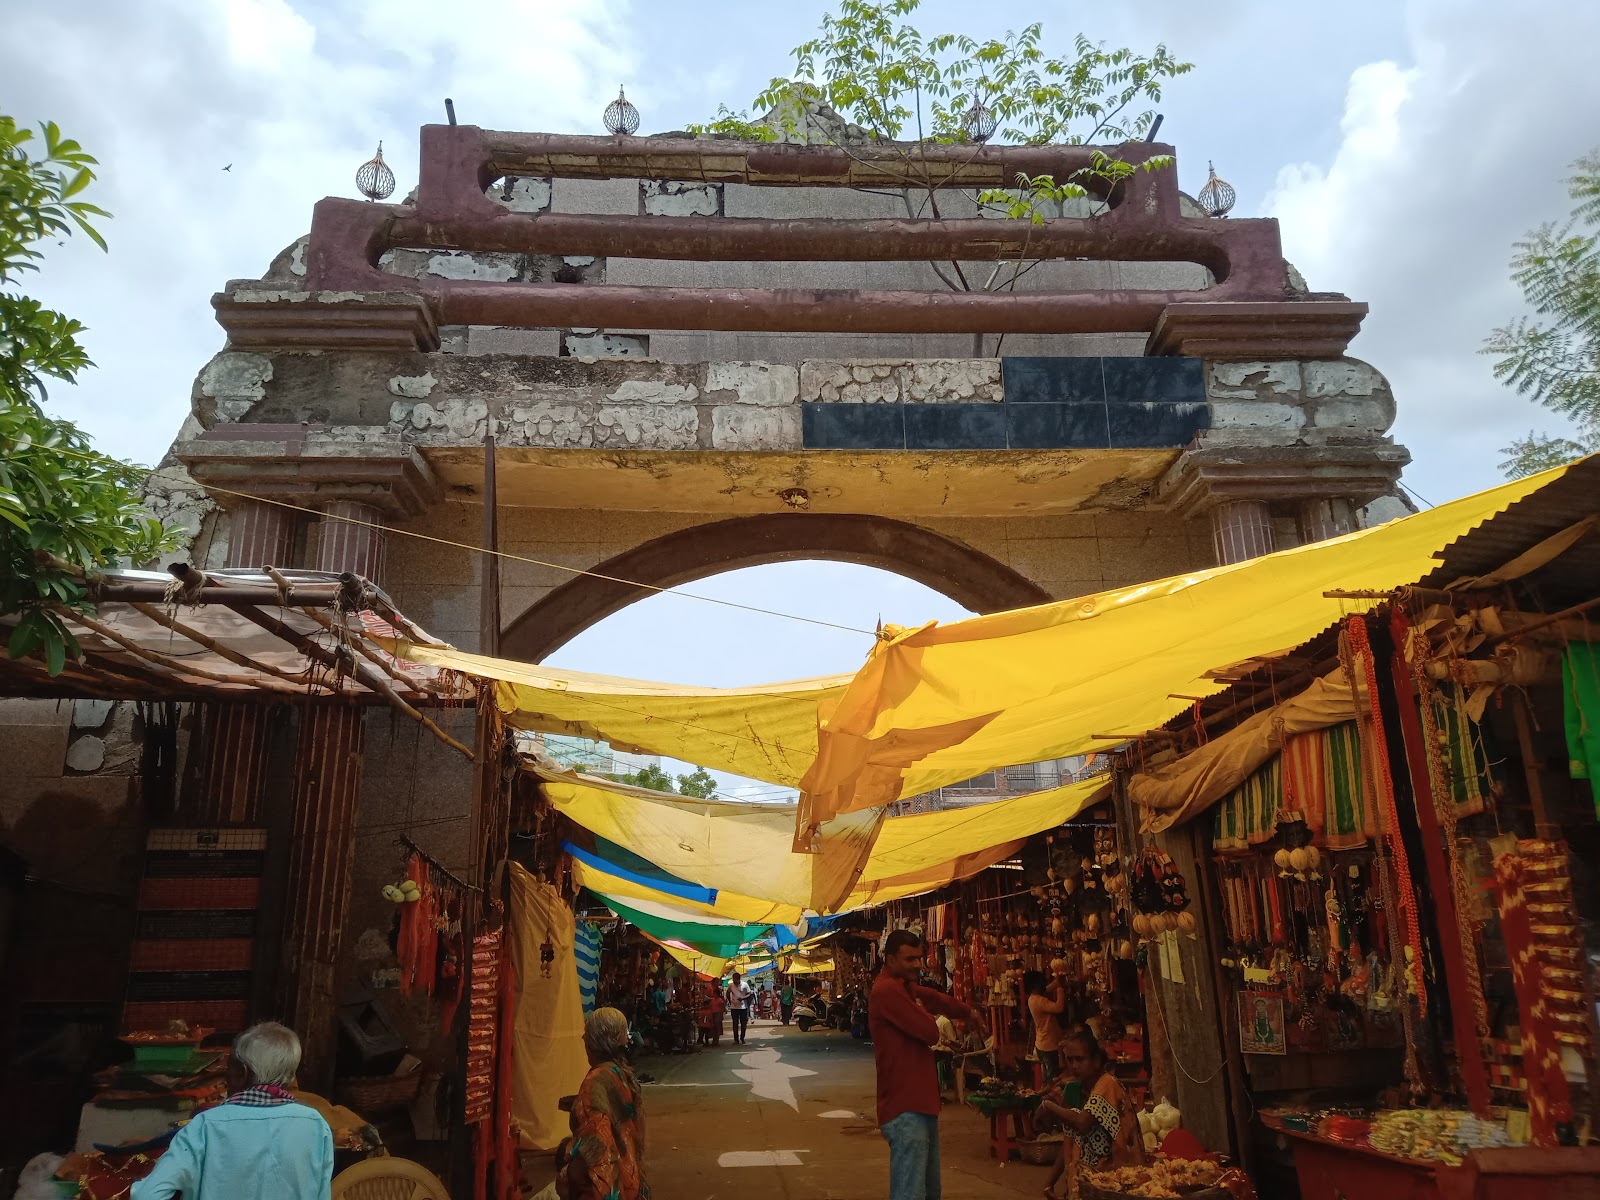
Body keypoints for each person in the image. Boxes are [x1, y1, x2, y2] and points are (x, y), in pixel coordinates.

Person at [130, 1021, 333, 1200]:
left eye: (228, 1070)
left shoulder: (206, 1125)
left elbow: (147, 1195)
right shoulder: (315, 1125)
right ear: (289, 1077)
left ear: (241, 1073)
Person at [870, 929, 975, 1200]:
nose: (917, 964)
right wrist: (923, 1010)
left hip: (919, 1104)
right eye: (909, 959)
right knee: (911, 1193)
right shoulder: (886, 991)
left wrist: (968, 1012)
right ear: (890, 959)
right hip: (904, 1108)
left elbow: (934, 998)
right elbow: (930, 1032)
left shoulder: (902, 987)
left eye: (918, 958)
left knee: (928, 1191)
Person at [552, 1007, 650, 1200]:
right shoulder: (621, 1073)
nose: (584, 1040)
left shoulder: (595, 1081)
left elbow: (595, 1144)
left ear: (593, 1042)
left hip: (608, 1188)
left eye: (586, 1036)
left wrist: (567, 1177)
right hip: (632, 1180)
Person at [1038, 1030, 1143, 1200]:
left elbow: (1081, 1122)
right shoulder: (1077, 1089)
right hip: (1088, 1180)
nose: (1074, 1065)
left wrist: (1048, 1105)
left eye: (1080, 1059)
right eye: (1070, 1060)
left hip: (1117, 1175)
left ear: (1095, 1061)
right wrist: (1049, 1184)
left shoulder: (1107, 1083)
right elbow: (1070, 1139)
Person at [1025, 970, 1068, 1083]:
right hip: (1049, 1045)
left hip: (1042, 1043)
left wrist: (1055, 982)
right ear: (1036, 985)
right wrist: (1059, 988)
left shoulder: (1032, 998)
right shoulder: (1040, 1001)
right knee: (1052, 1081)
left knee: (1047, 1078)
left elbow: (1045, 990)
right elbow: (1059, 1007)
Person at [727, 971, 753, 1046]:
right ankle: (736, 1039)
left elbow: (749, 993)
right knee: (735, 1024)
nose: (735, 981)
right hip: (734, 1007)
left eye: (736, 979)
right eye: (733, 979)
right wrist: (730, 1001)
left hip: (743, 1007)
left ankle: (742, 1037)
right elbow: (728, 992)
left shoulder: (745, 985)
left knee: (743, 1024)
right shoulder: (731, 986)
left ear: (739, 979)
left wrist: (743, 998)